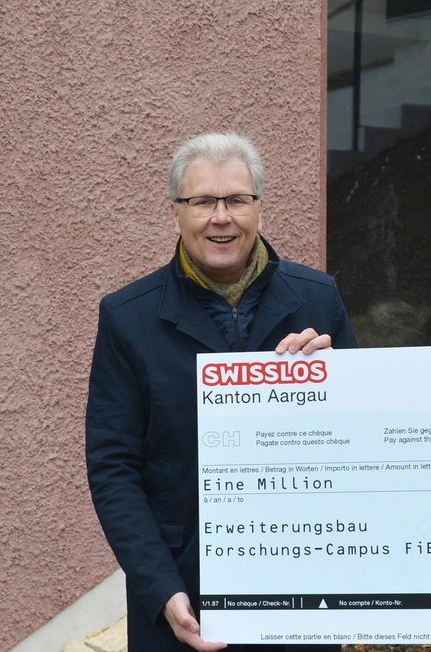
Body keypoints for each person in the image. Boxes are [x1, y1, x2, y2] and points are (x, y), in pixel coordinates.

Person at [86, 131, 359, 652]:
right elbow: (113, 468)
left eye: (236, 199)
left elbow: (364, 444)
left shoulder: (318, 300)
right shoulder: (128, 317)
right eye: (202, 202)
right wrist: (161, 589)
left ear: (259, 207)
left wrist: (338, 382)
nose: (221, 217)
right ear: (176, 211)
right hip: (182, 601)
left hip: (304, 590)